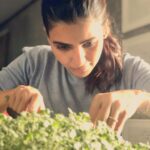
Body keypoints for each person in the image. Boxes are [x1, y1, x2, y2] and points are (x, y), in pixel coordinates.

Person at [0, 0, 150, 133]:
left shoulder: (130, 68)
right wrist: (10, 96)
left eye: (89, 43)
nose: (79, 62)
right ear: (48, 37)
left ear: (105, 29)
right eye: (62, 47)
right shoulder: (33, 62)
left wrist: (138, 98)